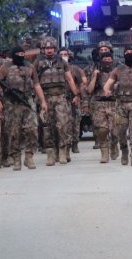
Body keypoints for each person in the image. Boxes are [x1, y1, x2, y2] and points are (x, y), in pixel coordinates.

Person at [0, 47, 48, 170]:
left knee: (32, 129)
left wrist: (43, 101)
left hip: (28, 101)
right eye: (18, 53)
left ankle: (29, 157)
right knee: (13, 132)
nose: (20, 55)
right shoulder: (5, 67)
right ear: (13, 55)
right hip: (12, 104)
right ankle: (16, 158)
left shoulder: (30, 67)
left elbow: (36, 85)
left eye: (22, 53)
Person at [33, 36, 80, 166]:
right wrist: (41, 101)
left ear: (55, 49)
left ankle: (63, 152)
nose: (49, 50)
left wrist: (76, 94)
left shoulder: (62, 62)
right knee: (48, 126)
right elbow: (36, 83)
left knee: (63, 125)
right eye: (47, 48)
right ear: (43, 49)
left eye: (51, 48)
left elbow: (70, 79)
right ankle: (50, 153)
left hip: (61, 97)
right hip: (46, 98)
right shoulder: (37, 63)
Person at [87, 52, 119, 163]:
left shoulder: (117, 72)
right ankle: (104, 152)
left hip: (114, 104)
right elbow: (89, 90)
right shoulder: (96, 72)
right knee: (102, 130)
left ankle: (114, 145)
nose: (107, 61)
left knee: (115, 132)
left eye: (109, 58)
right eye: (105, 58)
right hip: (99, 104)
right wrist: (95, 77)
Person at [83, 41, 114, 150]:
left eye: (106, 50)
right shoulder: (90, 69)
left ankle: (112, 143)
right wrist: (85, 104)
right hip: (96, 100)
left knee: (114, 127)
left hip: (113, 101)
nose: (103, 52)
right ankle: (100, 142)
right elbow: (86, 89)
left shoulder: (117, 67)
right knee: (98, 126)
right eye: (101, 50)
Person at [59, 48, 88, 155]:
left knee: (75, 123)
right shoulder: (55, 68)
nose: (63, 56)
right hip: (60, 98)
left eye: (65, 54)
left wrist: (78, 96)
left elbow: (82, 84)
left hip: (73, 99)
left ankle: (75, 143)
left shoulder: (75, 69)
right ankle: (65, 145)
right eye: (61, 54)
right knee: (63, 124)